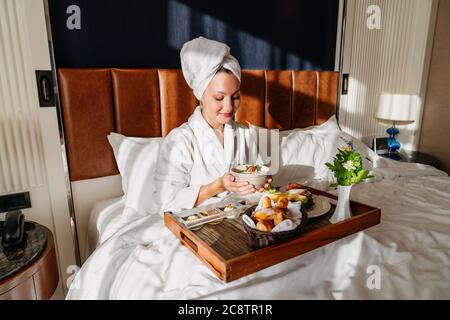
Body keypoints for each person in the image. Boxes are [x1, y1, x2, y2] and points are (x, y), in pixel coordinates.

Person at [152, 37, 272, 214]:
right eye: (218, 98)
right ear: (201, 95)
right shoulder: (181, 140)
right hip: (196, 223)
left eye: (235, 96)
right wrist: (218, 186)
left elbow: (256, 181)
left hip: (243, 218)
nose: (229, 107)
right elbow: (166, 202)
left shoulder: (245, 134)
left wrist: (259, 186)